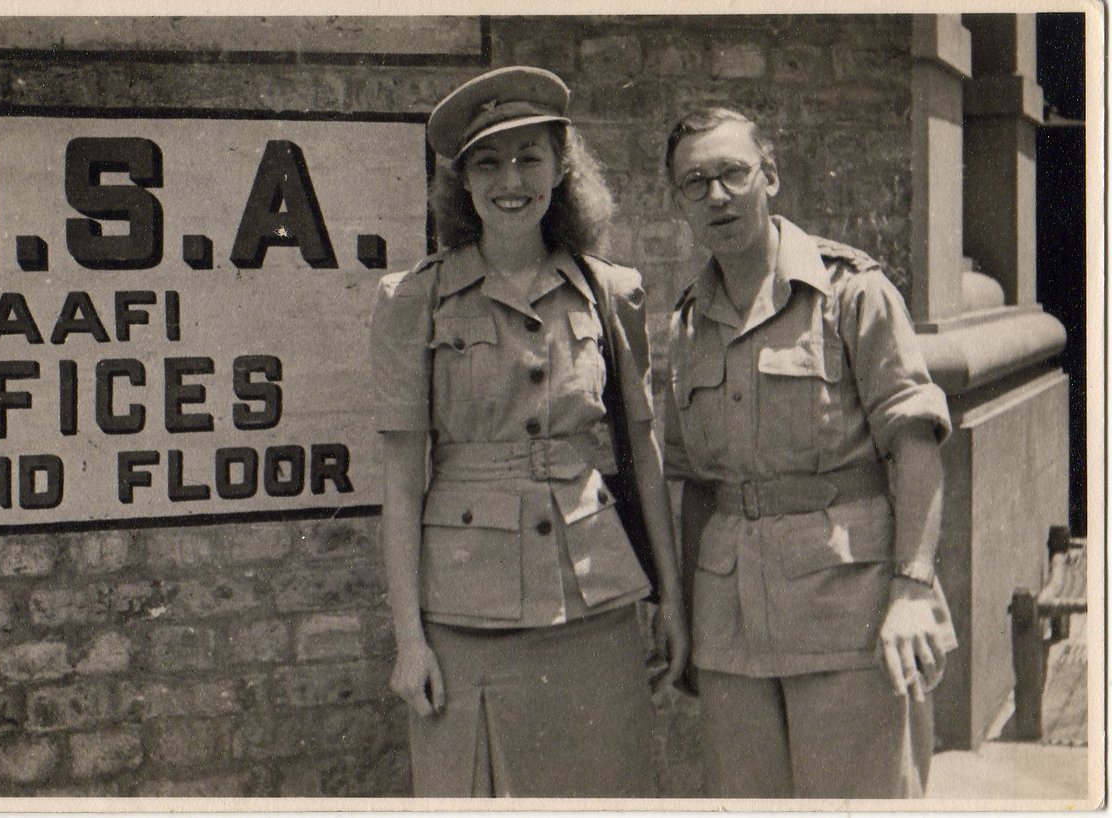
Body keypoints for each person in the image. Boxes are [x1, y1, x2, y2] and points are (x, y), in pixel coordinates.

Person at [369, 66, 687, 798]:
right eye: (487, 162)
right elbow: (399, 482)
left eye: (529, 158)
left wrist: (669, 599)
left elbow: (642, 456)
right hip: (464, 617)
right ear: (463, 183)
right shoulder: (414, 300)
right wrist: (410, 640)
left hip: (595, 607)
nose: (510, 181)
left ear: (560, 170)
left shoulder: (611, 292)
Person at [661, 107, 957, 798]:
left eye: (732, 173)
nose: (716, 195)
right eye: (694, 181)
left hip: (850, 617)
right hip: (732, 628)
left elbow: (915, 446)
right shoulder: (684, 325)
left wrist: (912, 591)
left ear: (771, 177)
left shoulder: (852, 293)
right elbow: (698, 488)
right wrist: (689, 619)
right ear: (677, 201)